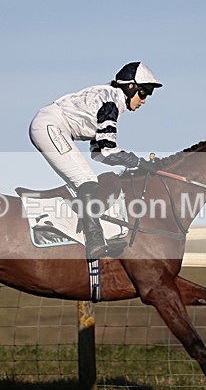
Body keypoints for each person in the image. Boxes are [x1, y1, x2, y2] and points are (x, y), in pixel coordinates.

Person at [29, 62, 162, 259]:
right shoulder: (110, 104)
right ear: (130, 87)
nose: (144, 100)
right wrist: (139, 163)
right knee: (86, 179)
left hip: (52, 124)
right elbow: (109, 151)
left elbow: (98, 153)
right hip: (50, 125)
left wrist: (134, 164)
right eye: (143, 93)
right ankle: (94, 241)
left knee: (86, 179)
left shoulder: (109, 99)